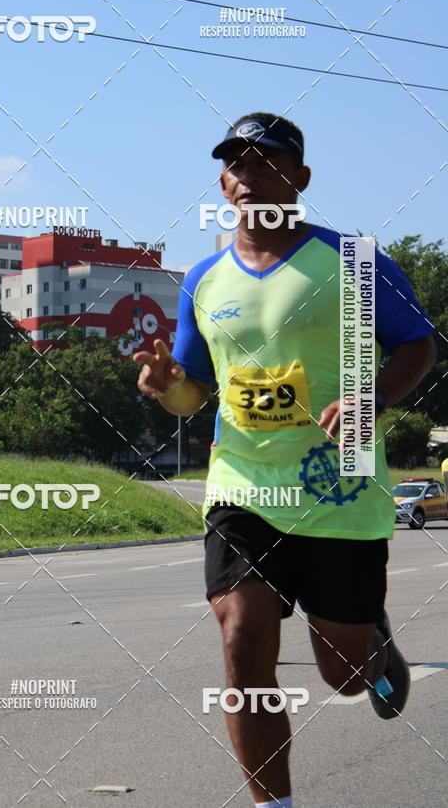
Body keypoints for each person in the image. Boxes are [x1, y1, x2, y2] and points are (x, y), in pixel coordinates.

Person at [134, 112, 436, 807]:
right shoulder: (203, 278)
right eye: (237, 164)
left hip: (340, 488)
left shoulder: (354, 261)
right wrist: (164, 388)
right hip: (243, 485)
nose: (249, 175)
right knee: (241, 638)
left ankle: (372, 645)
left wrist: (374, 400)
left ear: (298, 178)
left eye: (266, 162)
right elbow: (192, 395)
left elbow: (417, 346)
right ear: (222, 182)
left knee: (345, 676)